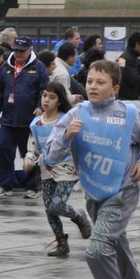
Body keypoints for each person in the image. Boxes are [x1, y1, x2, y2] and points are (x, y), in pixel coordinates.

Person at [46, 59, 140, 279]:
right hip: (95, 193)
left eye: (101, 82)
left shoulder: (128, 114)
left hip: (124, 192)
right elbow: (51, 155)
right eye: (90, 81)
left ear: (115, 88)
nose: (93, 86)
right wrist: (66, 138)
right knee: (115, 244)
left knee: (96, 249)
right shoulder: (76, 114)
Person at [23, 81, 92, 257]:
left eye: (52, 97)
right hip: (46, 168)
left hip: (67, 167)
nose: (46, 100)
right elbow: (33, 148)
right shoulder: (36, 124)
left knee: (57, 204)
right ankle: (61, 243)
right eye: (44, 95)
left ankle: (78, 216)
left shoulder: (66, 120)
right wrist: (29, 160)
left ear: (60, 101)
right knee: (49, 208)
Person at [0, 37, 50, 199]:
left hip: (29, 121)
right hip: (8, 120)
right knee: (3, 149)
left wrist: (40, 106)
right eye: (15, 50)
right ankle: (4, 184)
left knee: (30, 154)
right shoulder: (6, 67)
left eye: (21, 51)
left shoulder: (38, 68)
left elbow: (44, 91)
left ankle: (32, 186)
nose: (18, 53)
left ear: (30, 50)